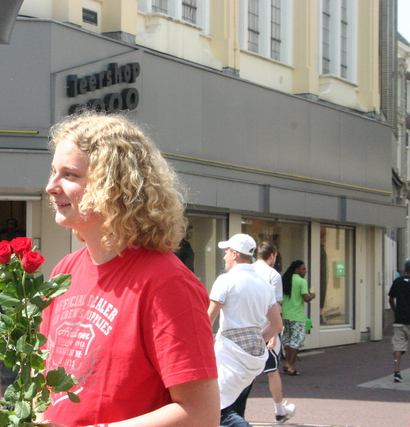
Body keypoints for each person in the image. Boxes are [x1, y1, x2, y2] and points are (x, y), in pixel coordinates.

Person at [39, 112, 220, 427]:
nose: (51, 186)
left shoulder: (168, 282)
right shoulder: (64, 271)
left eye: (69, 175)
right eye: (54, 172)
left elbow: (200, 414)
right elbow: (43, 376)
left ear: (112, 186)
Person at [208, 234, 282, 427]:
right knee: (238, 407)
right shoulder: (265, 285)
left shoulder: (226, 280)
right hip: (255, 353)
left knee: (220, 411)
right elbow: (277, 325)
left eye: (225, 253)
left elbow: (207, 320)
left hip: (229, 353)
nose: (224, 257)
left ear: (234, 254)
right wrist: (256, 338)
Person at [252, 242, 295, 424]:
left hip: (246, 328)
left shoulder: (246, 271)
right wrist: (274, 333)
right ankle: (279, 410)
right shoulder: (273, 275)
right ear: (273, 255)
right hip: (266, 328)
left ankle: (230, 409)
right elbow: (276, 306)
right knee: (272, 372)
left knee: (241, 372)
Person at [281, 260, 315, 376]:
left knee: (288, 340)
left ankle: (286, 363)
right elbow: (306, 298)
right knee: (296, 341)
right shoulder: (302, 281)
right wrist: (312, 296)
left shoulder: (286, 279)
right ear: (297, 270)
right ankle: (291, 366)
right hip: (297, 316)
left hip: (286, 315)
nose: (305, 271)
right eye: (303, 269)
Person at [388, 260, 410, 383]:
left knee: (398, 345)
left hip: (400, 320)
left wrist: (395, 311)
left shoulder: (397, 282)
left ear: (405, 269)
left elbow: (391, 299)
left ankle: (397, 372)